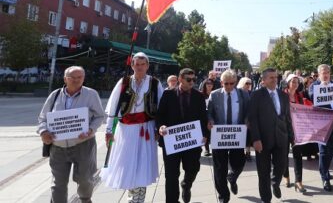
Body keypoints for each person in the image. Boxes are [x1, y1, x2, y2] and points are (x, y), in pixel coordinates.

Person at [101, 52, 164, 203]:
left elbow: (161, 108)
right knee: (128, 162)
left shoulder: (155, 83)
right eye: (137, 64)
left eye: (143, 64)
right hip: (126, 129)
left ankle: (138, 198)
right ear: (132, 65)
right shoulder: (123, 82)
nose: (140, 67)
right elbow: (113, 108)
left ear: (148, 66)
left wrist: (158, 128)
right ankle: (132, 195)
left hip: (146, 128)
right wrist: (109, 130)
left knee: (142, 163)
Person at [37, 66, 105, 203]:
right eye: (72, 78)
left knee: (85, 179)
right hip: (58, 146)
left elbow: (100, 116)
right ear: (65, 79)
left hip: (83, 144)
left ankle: (85, 199)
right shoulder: (55, 95)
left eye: (79, 77)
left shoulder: (91, 94)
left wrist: (91, 129)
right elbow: (42, 118)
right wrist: (43, 131)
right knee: (58, 182)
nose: (76, 80)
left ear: (83, 78)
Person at [156, 68, 209, 203]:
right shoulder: (168, 95)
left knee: (193, 169)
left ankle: (186, 184)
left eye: (194, 80)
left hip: (192, 142)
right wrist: (161, 127)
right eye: (188, 79)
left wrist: (205, 134)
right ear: (180, 79)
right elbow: (160, 115)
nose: (192, 82)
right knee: (171, 175)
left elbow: (203, 118)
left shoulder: (198, 96)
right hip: (171, 142)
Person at [248, 68, 293, 203]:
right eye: (271, 78)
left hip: (281, 138)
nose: (274, 80)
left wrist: (291, 136)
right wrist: (255, 139)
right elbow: (253, 118)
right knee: (263, 172)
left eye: (276, 77)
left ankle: (275, 182)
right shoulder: (256, 95)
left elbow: (287, 118)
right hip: (263, 139)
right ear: (264, 80)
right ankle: (266, 198)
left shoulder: (283, 95)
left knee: (281, 165)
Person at [207, 70, 250, 203]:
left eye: (232, 83)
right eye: (226, 84)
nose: (229, 86)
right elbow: (209, 112)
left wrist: (247, 121)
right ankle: (223, 196)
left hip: (237, 136)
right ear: (221, 83)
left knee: (239, 163)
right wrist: (210, 121)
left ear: (236, 82)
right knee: (220, 168)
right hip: (219, 137)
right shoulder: (214, 95)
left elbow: (248, 111)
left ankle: (232, 177)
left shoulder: (243, 94)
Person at [306, 64, 333, 192]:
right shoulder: (314, 86)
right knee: (323, 150)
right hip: (321, 124)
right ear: (319, 74)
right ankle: (325, 178)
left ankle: (325, 169)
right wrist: (323, 88)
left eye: (327, 72)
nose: (326, 74)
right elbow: (312, 97)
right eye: (323, 72)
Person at [282, 74, 309, 193]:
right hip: (283, 128)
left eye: (297, 82)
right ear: (288, 83)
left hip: (297, 129)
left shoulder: (300, 95)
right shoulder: (282, 95)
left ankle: (299, 181)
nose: (295, 84)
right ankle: (286, 176)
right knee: (284, 154)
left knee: (298, 155)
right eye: (293, 82)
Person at [237, 77, 254, 161]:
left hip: (249, 118)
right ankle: (240, 153)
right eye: (246, 83)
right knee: (240, 136)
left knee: (248, 137)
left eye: (249, 83)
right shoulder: (237, 92)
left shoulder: (251, 93)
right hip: (239, 117)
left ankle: (248, 153)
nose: (248, 85)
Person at [201, 79, 215, 156]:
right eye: (207, 83)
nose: (209, 85)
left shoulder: (216, 94)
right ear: (204, 85)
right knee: (205, 132)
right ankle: (206, 149)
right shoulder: (201, 94)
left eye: (211, 83)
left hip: (213, 116)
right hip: (204, 116)